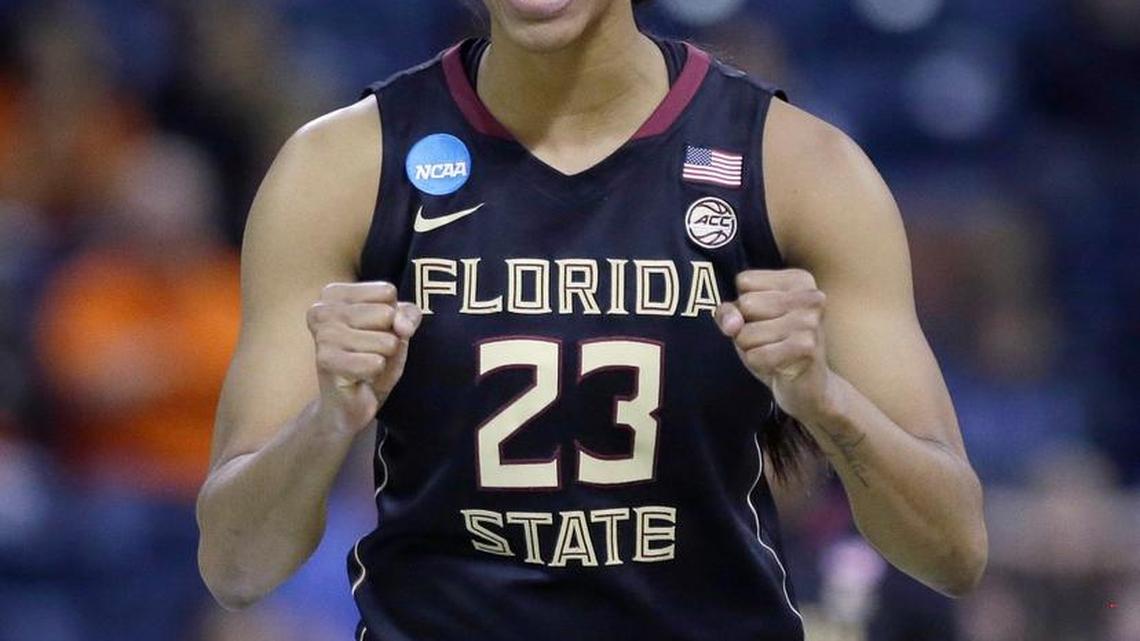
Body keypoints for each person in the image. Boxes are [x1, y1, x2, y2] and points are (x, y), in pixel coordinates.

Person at [196, 1, 988, 639]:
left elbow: (953, 549)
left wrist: (824, 401)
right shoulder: (340, 168)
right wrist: (327, 420)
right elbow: (235, 565)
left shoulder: (798, 168)